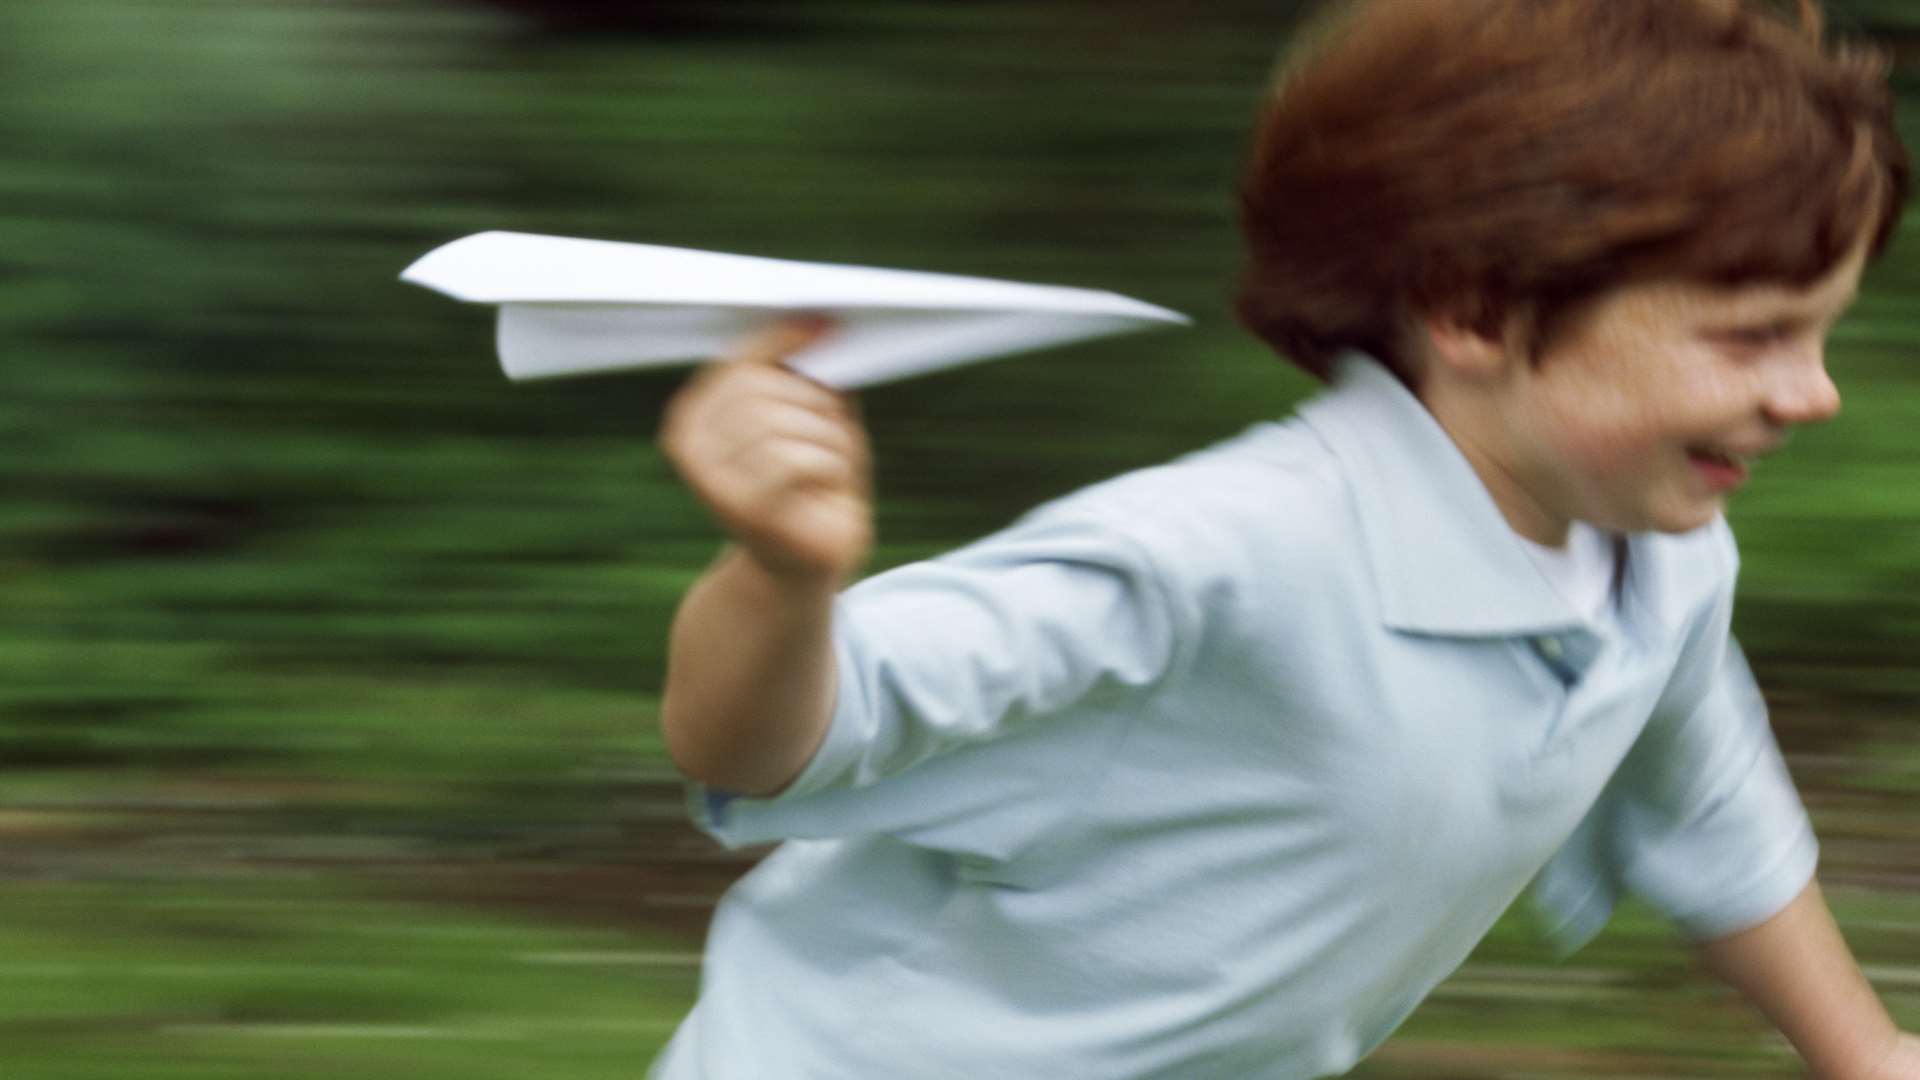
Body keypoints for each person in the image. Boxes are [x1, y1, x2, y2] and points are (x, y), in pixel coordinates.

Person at [648, 0, 1920, 1076]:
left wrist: (1868, 1058)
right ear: (1474, 309)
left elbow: (1708, 809)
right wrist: (783, 578)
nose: (1813, 393)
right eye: (1752, 334)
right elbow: (763, 748)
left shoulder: (1664, 558)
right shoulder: (1225, 553)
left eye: (1823, 333)